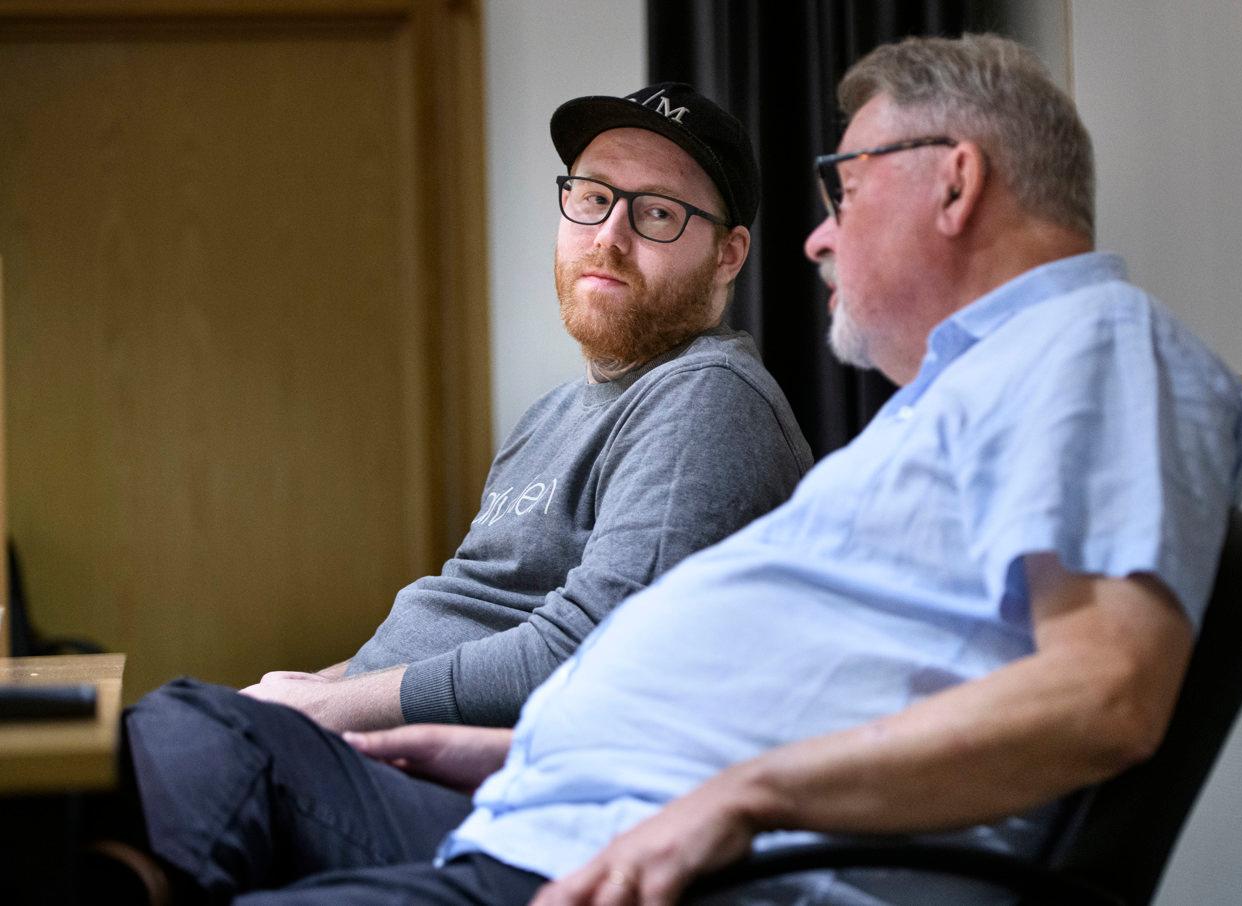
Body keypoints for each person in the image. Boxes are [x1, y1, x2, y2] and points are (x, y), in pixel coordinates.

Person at [127, 34, 1242, 905]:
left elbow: (1105, 692)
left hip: (642, 868)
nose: (819, 236)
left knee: (167, 755)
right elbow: (818, 686)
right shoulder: (944, 412)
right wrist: (523, 741)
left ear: (954, 182)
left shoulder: (1092, 343)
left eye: (845, 186)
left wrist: (742, 795)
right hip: (541, 810)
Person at [228, 81, 812, 732]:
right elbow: (467, 616)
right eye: (593, 199)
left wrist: (324, 710)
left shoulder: (708, 396)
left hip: (453, 784)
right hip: (366, 742)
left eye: (655, 214)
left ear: (728, 255)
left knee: (150, 749)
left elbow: (589, 648)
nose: (608, 239)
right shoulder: (551, 415)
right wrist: (311, 688)